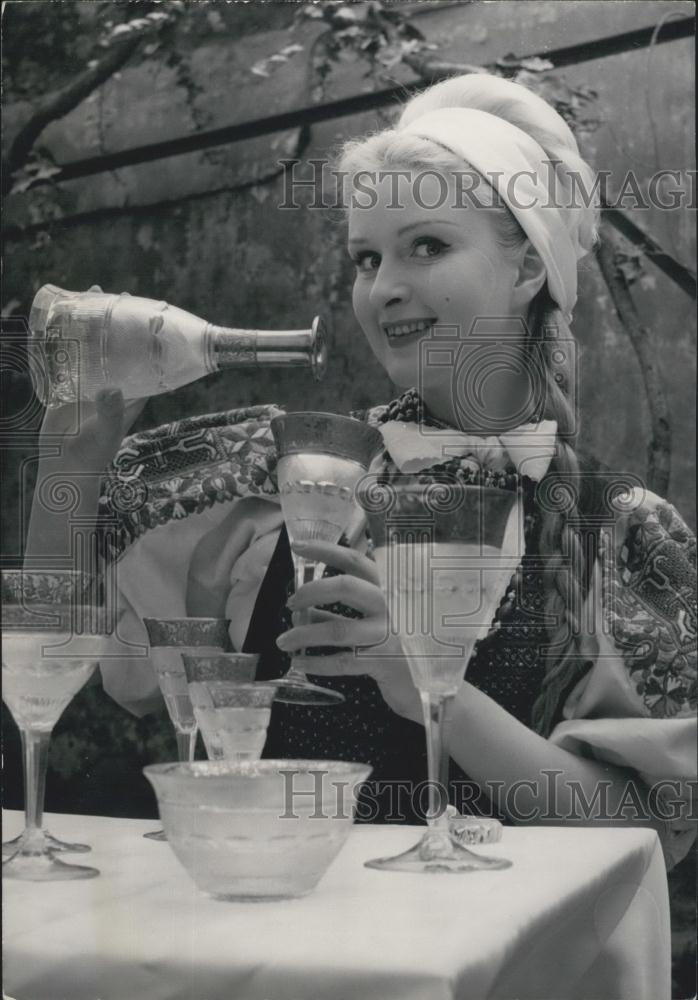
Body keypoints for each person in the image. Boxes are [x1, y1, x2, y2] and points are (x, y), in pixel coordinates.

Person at [27, 73, 696, 869]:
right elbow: (51, 661)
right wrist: (66, 472)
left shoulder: (620, 526)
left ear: (527, 270)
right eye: (366, 257)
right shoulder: (283, 469)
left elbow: (648, 830)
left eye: (428, 246)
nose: (384, 289)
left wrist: (416, 675)